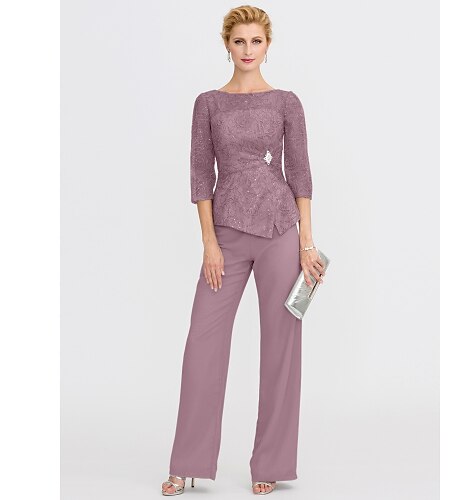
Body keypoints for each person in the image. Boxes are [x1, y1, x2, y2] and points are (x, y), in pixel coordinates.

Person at [161, 5, 325, 496]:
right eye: (239, 41)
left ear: (268, 45)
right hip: (226, 234)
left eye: (256, 41)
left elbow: (300, 173)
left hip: (280, 231)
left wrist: (307, 244)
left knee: (281, 348)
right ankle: (187, 462)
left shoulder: (287, 102)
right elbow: (200, 176)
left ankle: (270, 463)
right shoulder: (208, 104)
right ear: (227, 45)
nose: (248, 50)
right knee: (202, 344)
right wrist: (209, 243)